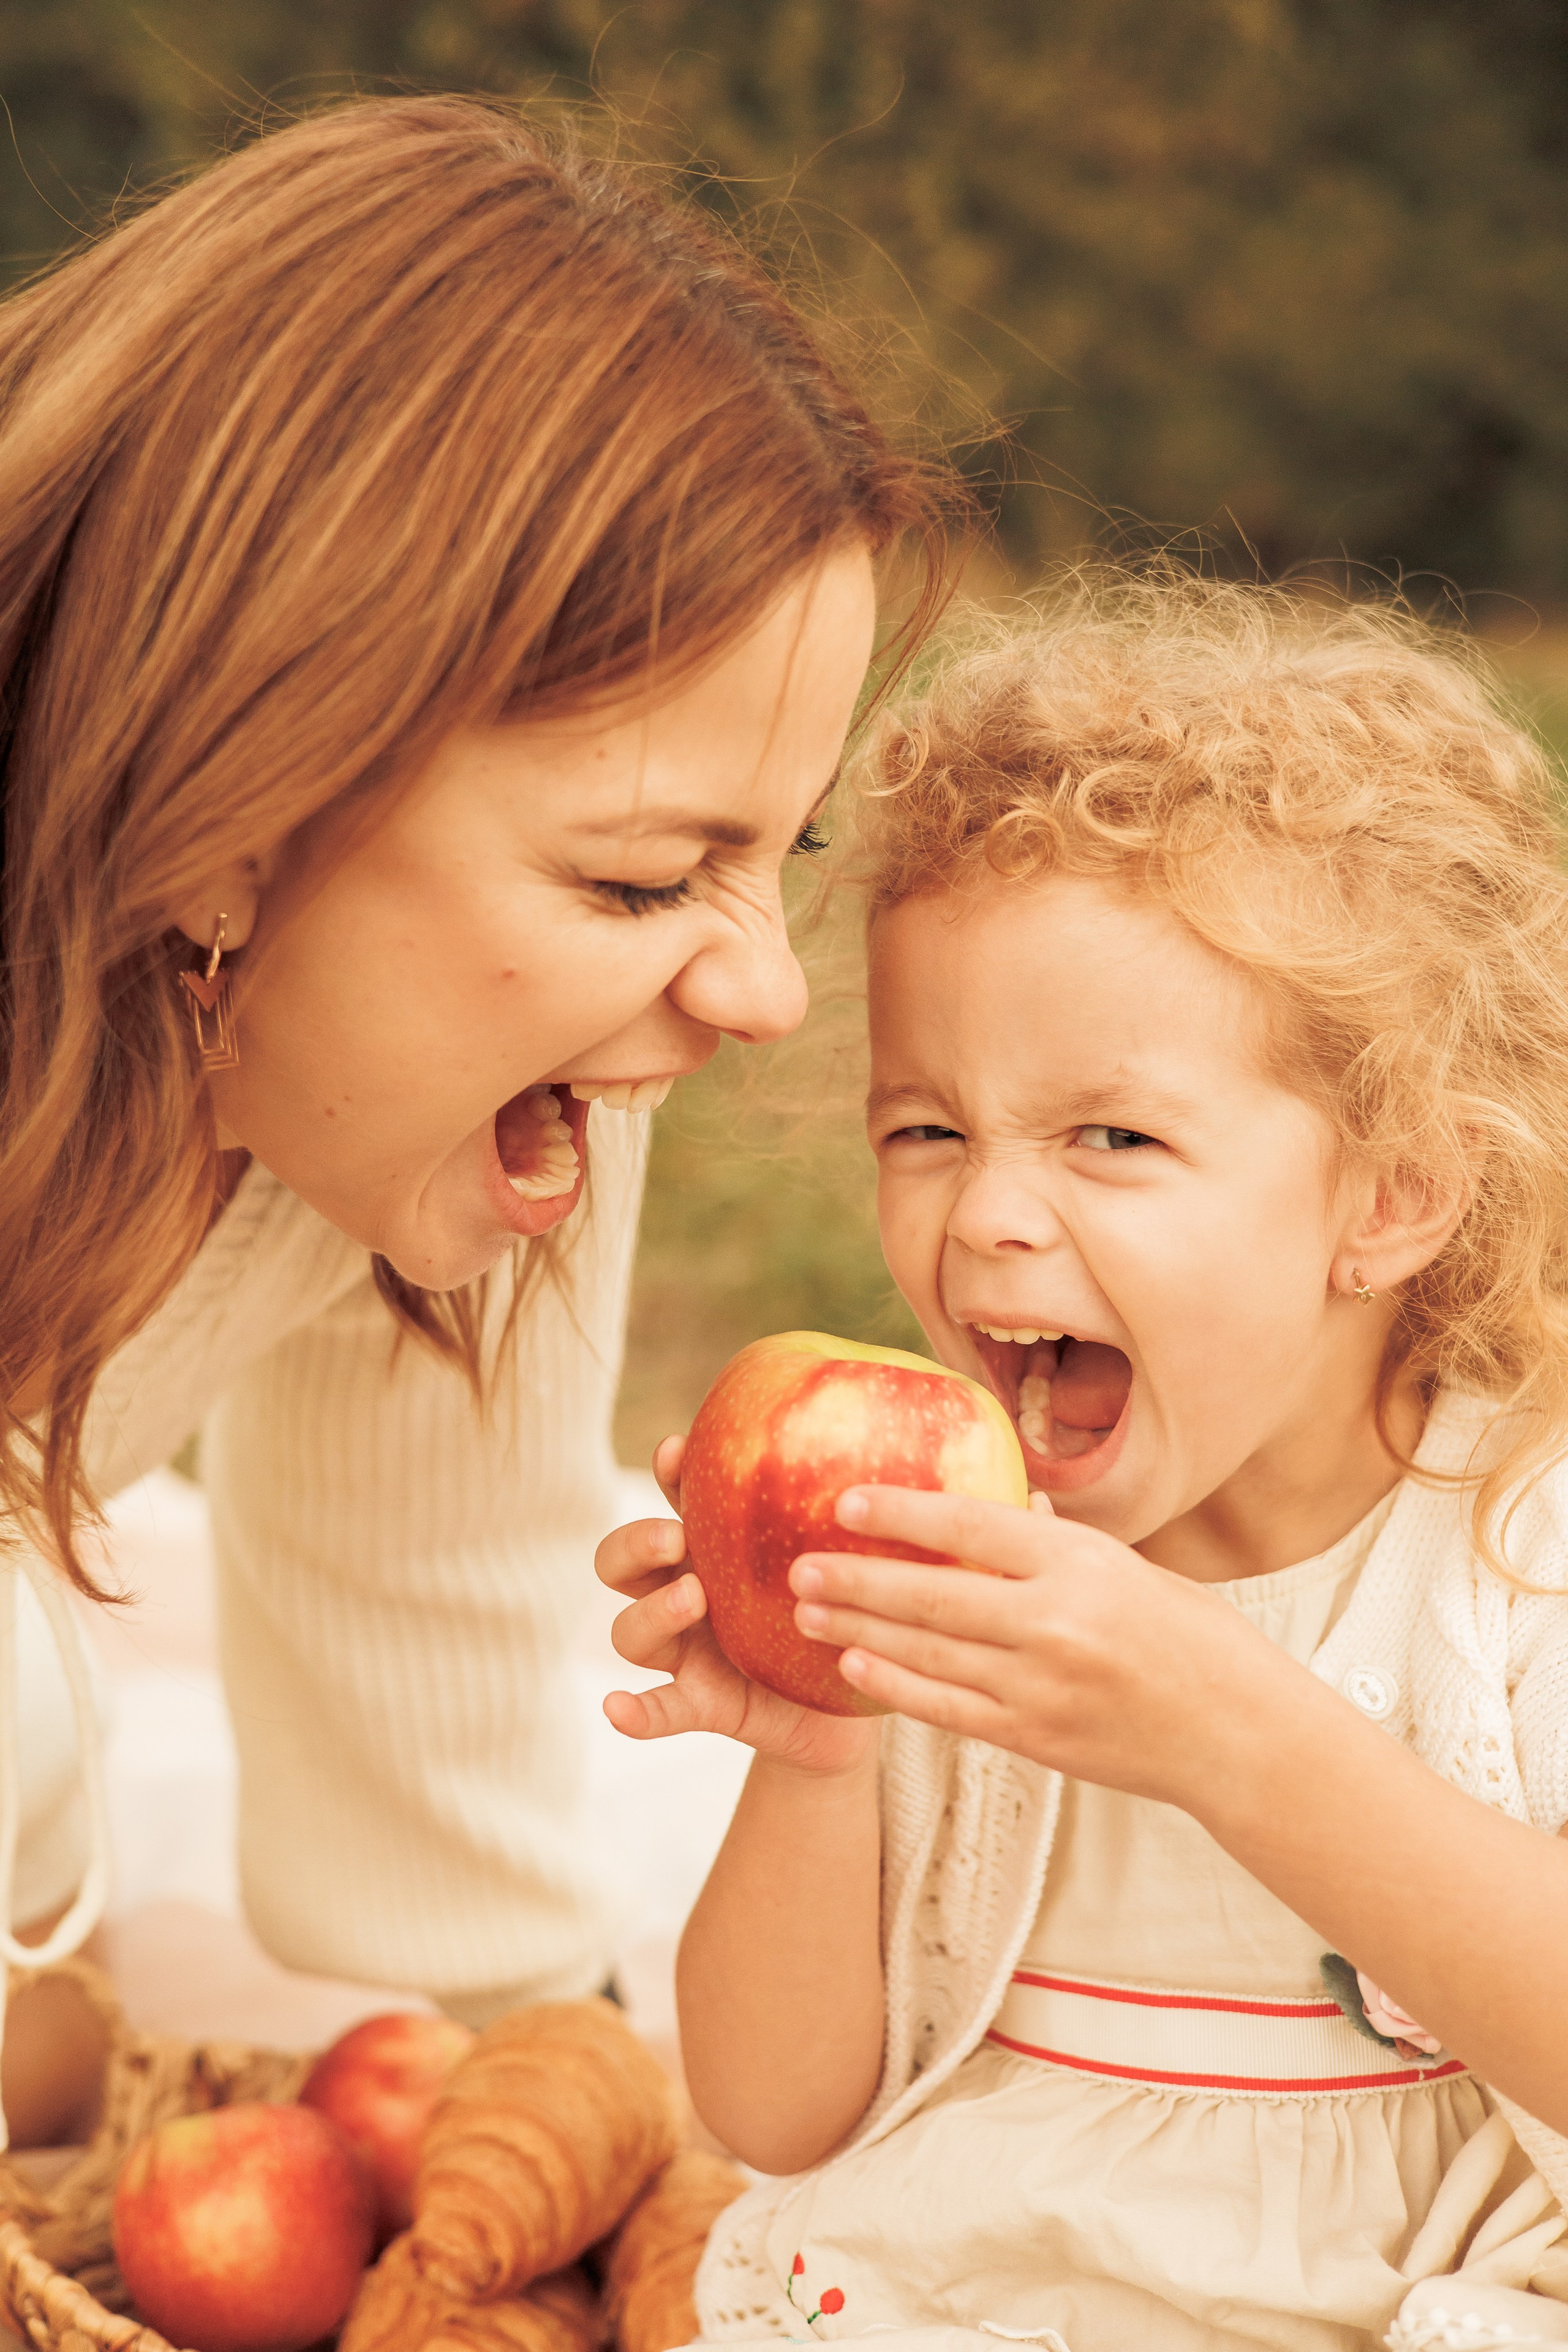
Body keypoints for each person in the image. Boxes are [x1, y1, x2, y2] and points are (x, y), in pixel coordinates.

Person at [0, 92, 954, 2143]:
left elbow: (427, 1587)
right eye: (635, 880)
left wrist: (544, 2091)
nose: (765, 993)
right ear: (229, 811)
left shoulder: (439, 1094)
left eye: (774, 859)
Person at [598, 576, 1568, 2352]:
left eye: (1110, 1136)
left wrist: (1227, 1727)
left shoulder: (1521, 1543)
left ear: (1391, 1196)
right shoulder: (963, 1566)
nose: (987, 1214)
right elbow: (771, 2108)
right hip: (985, 2299)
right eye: (928, 1128)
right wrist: (821, 1759)